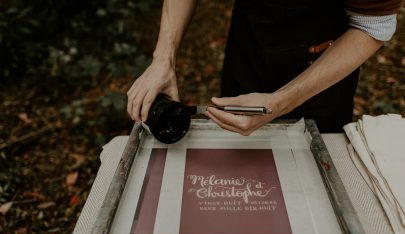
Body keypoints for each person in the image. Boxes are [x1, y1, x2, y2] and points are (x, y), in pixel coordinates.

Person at [127, 0, 402, 133]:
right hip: (250, 47)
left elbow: (372, 25)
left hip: (323, 74)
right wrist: (164, 58)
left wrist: (281, 102)